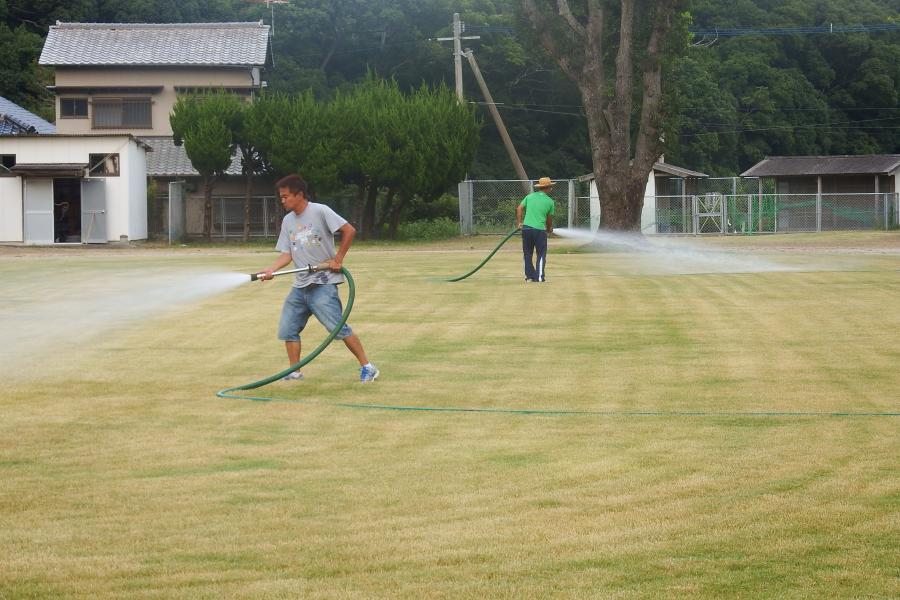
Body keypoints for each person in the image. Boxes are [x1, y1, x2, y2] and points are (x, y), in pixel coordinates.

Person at [258, 174, 379, 383]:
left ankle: (368, 367)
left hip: (324, 283)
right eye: (281, 197)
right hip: (300, 285)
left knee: (338, 328)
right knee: (288, 329)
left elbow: (349, 230)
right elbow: (287, 253)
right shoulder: (288, 221)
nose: (283, 200)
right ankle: (294, 372)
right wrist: (272, 270)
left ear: (299, 194)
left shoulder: (320, 211)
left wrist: (338, 258)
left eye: (286, 196)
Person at [515, 176, 555, 282]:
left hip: (526, 229)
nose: (551, 188)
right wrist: (549, 228)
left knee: (527, 254)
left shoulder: (529, 196)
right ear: (547, 187)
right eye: (550, 186)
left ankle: (529, 277)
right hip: (539, 230)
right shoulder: (550, 202)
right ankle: (540, 276)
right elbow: (549, 219)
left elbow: (519, 208)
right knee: (541, 254)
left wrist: (519, 223)